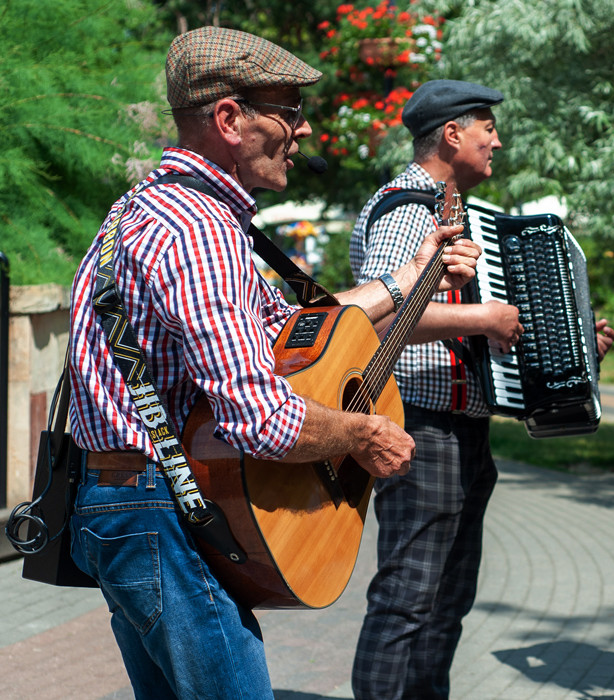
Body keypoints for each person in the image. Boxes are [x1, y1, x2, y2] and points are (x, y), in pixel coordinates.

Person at [64, 27, 479, 698]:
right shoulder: (200, 233)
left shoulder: (153, 209)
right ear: (230, 119)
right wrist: (363, 434)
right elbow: (261, 422)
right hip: (156, 512)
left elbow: (298, 331)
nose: (303, 128)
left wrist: (413, 274)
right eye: (288, 110)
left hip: (130, 504)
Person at [349, 79, 614, 700]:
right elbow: (381, 316)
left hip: (462, 428)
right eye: (486, 127)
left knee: (446, 602)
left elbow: (476, 339)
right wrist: (484, 318)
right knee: (408, 598)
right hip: (419, 423)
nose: (497, 140)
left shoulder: (455, 210)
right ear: (452, 134)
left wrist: (569, 348)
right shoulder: (407, 209)